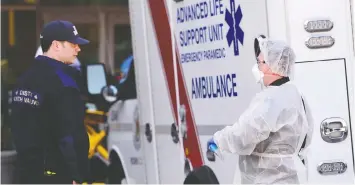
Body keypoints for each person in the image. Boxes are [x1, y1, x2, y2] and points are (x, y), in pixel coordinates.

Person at [208, 36, 314, 184]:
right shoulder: (296, 94)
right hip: (290, 177)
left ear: (273, 65)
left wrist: (218, 140)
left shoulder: (270, 99)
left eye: (260, 63)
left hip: (268, 179)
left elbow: (246, 133)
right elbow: (307, 135)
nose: (257, 68)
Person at [10, 20, 90, 184]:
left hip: (26, 174)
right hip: (58, 175)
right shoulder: (63, 82)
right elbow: (69, 134)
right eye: (73, 44)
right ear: (56, 45)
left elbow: (18, 128)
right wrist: (77, 175)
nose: (78, 49)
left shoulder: (24, 79)